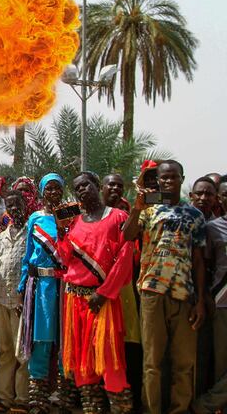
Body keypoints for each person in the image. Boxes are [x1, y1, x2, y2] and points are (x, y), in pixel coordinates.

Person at [122, 160, 207, 414]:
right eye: (164, 178)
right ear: (157, 181)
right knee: (152, 362)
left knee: (184, 362)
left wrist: (201, 300)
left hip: (183, 294)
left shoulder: (195, 215)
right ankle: (152, 409)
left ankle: (179, 409)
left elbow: (199, 260)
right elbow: (127, 235)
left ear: (182, 178)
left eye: (173, 177)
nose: (168, 182)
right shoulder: (148, 211)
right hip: (151, 292)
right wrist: (137, 209)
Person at [56, 172, 133, 413]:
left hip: (102, 298)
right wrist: (60, 232)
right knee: (81, 358)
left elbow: (125, 258)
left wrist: (104, 292)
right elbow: (66, 257)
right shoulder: (75, 220)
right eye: (77, 188)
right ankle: (92, 408)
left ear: (97, 186)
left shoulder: (119, 217)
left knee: (110, 357)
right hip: (73, 297)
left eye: (86, 185)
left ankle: (120, 406)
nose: (82, 191)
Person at [17, 173, 69, 414]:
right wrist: (21, 287)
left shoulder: (71, 216)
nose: (53, 192)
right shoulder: (35, 218)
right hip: (40, 288)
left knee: (64, 337)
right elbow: (28, 255)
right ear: (41, 191)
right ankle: (37, 395)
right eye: (49, 188)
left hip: (65, 285)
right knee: (41, 338)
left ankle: (62, 391)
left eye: (57, 187)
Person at [102, 172, 142, 411]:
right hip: (99, 286)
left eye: (119, 185)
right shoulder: (89, 217)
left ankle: (129, 398)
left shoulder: (131, 215)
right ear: (102, 188)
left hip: (127, 285)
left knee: (129, 340)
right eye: (110, 184)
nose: (115, 188)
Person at [0, 191, 30, 413]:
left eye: (18, 205)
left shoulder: (32, 232)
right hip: (0, 298)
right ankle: (3, 397)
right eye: (10, 205)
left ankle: (22, 399)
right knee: (5, 349)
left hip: (20, 299)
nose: (14, 209)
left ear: (26, 204)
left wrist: (24, 295)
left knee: (22, 352)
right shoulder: (2, 236)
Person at [193, 177, 227, 413]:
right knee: (220, 362)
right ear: (221, 198)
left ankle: (207, 404)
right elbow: (204, 265)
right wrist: (204, 298)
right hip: (222, 302)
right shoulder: (213, 227)